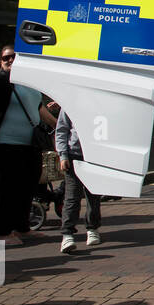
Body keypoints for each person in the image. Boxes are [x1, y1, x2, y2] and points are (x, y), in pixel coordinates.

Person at [0, 46, 57, 244]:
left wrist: (57, 126)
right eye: (6, 57)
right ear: (0, 61)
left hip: (29, 143)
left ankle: (22, 228)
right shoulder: (2, 80)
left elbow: (38, 107)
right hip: (4, 143)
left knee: (28, 186)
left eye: (14, 56)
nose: (10, 60)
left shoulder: (30, 82)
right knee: (5, 188)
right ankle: (3, 232)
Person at [54, 108, 102, 253]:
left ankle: (92, 228)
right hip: (74, 155)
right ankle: (67, 234)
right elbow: (61, 130)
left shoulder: (100, 102)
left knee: (93, 196)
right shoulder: (69, 103)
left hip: (95, 155)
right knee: (72, 197)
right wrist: (63, 155)